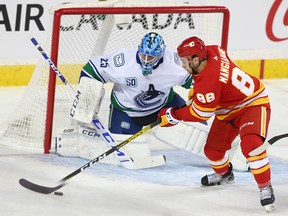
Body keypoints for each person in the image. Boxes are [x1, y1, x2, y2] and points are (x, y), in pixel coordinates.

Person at [158, 36, 275, 212]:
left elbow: (200, 113)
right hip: (227, 110)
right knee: (212, 151)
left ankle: (265, 186)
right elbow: (211, 84)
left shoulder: (209, 82)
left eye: (184, 61)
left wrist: (173, 115)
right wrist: (197, 93)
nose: (182, 65)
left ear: (196, 60)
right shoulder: (213, 50)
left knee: (252, 146)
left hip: (252, 105)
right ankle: (225, 175)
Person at [78, 32, 192, 134]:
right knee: (121, 149)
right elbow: (91, 69)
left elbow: (197, 82)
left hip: (164, 105)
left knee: (198, 124)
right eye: (143, 55)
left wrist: (197, 99)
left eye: (151, 57)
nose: (146, 60)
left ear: (160, 55)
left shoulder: (174, 64)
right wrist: (86, 104)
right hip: (127, 111)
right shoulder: (123, 62)